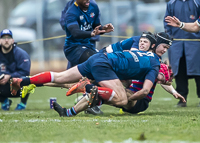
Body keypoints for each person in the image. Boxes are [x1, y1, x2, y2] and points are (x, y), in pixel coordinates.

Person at [67, 32, 185, 115]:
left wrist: (174, 92)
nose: (165, 51)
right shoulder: (141, 53)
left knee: (108, 89)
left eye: (167, 49)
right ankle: (71, 109)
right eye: (164, 47)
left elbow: (161, 80)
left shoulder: (155, 61)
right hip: (128, 91)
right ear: (155, 44)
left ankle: (88, 91)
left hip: (138, 100)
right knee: (101, 81)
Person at [163, 0, 200, 107]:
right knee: (178, 71)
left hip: (195, 44)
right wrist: (170, 37)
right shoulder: (171, 3)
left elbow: (195, 27)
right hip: (177, 44)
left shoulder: (197, 2)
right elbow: (167, 22)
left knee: (198, 71)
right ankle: (182, 98)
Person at [0, 29, 31, 110]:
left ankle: (22, 103)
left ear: (13, 40)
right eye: (3, 38)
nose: (6, 40)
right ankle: (4, 101)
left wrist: (9, 76)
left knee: (28, 79)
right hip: (2, 85)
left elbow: (25, 72)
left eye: (9, 38)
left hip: (17, 85)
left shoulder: (21, 54)